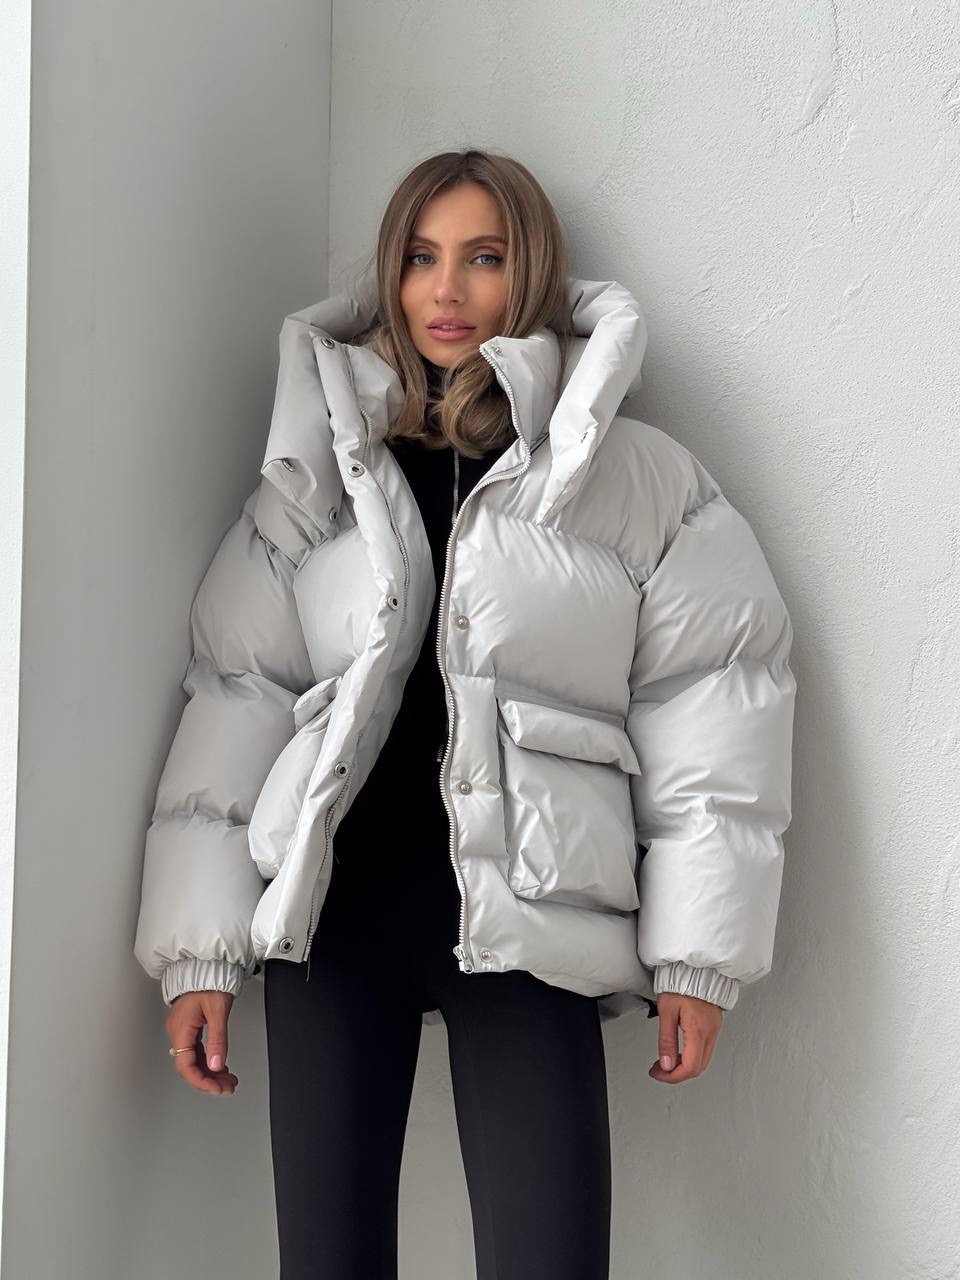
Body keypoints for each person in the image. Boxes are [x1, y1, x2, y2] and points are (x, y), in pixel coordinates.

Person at [134, 148, 797, 1279]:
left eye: (482, 258)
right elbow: (236, 695)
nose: (445, 290)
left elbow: (715, 708)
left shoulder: (638, 480)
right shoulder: (317, 481)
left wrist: (698, 958)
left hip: (528, 919)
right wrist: (198, 951)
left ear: (528, 272)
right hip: (334, 923)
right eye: (419, 258)